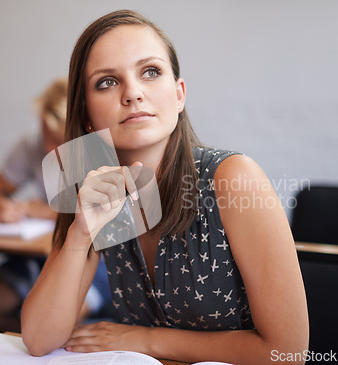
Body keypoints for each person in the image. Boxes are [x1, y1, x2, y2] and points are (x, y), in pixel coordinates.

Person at [21, 10, 309, 364]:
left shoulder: (233, 178)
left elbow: (288, 352)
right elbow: (38, 338)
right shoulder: (94, 185)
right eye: (107, 82)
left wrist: (146, 339)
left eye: (151, 72)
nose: (133, 93)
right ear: (85, 116)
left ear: (179, 95)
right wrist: (80, 234)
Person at [0, 78, 111, 334]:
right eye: (45, 135)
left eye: (58, 140)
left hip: (99, 261)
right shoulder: (30, 145)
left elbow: (112, 216)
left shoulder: (104, 151)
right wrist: (1, 206)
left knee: (60, 316)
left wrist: (43, 211)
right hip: (38, 255)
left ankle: (46, 339)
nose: (48, 148)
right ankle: (36, 342)